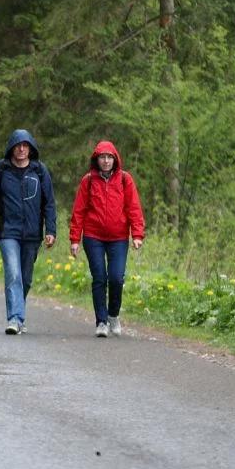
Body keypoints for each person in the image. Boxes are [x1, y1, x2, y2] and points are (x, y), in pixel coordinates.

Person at [0, 129, 57, 334]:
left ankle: (18, 312)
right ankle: (15, 318)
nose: (21, 149)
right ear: (11, 148)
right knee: (13, 273)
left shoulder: (40, 171)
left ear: (31, 149)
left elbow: (49, 203)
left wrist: (51, 230)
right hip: (7, 232)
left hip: (32, 233)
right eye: (18, 145)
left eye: (25, 145)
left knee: (26, 278)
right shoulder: (0, 170)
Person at [68, 141, 145, 338]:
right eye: (102, 157)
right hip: (93, 237)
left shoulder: (125, 180)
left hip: (118, 237)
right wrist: (75, 239)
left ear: (115, 159)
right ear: (96, 159)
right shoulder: (88, 181)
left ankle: (113, 315)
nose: (106, 161)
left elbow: (133, 208)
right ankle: (101, 321)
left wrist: (137, 234)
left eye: (109, 157)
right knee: (99, 278)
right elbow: (79, 210)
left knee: (117, 278)